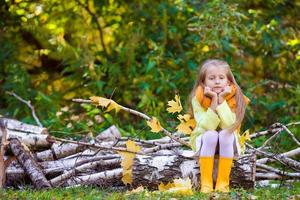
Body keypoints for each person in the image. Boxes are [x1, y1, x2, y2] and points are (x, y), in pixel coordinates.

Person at [188, 59, 249, 193]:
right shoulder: (198, 97)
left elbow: (229, 125)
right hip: (204, 140)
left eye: (221, 78)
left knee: (225, 134)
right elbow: (206, 126)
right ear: (203, 82)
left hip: (228, 142)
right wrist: (214, 101)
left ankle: (223, 183)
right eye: (211, 78)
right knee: (211, 134)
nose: (217, 81)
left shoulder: (235, 97)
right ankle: (206, 183)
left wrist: (222, 99)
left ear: (228, 81)